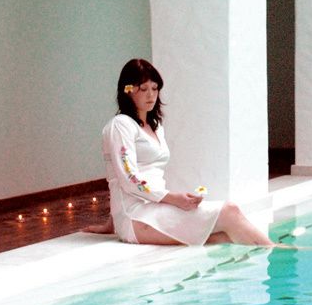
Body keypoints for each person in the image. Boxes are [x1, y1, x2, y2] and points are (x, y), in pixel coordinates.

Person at [92, 58, 278, 247]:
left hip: (156, 207)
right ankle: (278, 253)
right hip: (136, 217)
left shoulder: (155, 127)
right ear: (128, 90)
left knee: (228, 235)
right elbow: (128, 178)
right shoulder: (120, 125)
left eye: (155, 89)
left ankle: (274, 252)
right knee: (229, 211)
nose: (151, 95)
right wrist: (172, 199)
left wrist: (171, 200)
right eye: (143, 89)